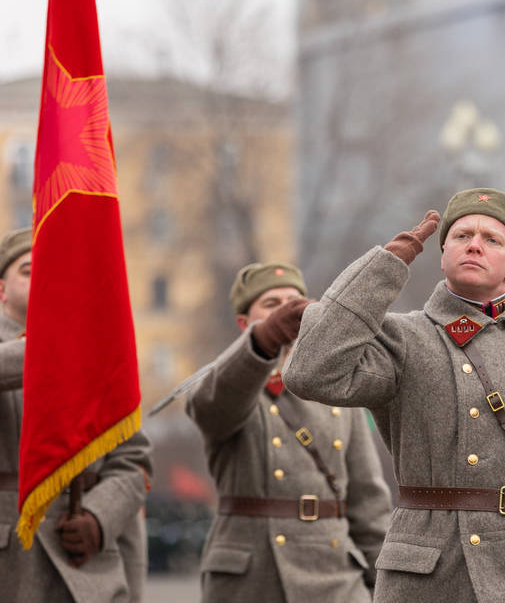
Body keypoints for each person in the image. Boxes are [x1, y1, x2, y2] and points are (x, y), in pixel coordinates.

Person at [283, 188, 505, 602]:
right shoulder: (403, 338)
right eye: (462, 236)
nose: (475, 244)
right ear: (443, 253)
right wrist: (386, 265)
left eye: (492, 239)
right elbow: (309, 373)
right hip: (433, 575)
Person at [184, 261, 392, 603]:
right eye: (270, 305)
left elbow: (367, 502)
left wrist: (382, 583)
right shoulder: (225, 384)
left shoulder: (335, 387)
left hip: (334, 578)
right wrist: (262, 342)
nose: (286, 312)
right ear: (243, 323)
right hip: (252, 579)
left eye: (294, 301)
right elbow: (212, 408)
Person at [0, 227, 153, 603]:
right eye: (29, 269)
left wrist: (100, 517)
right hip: (12, 568)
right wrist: (62, 343)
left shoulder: (100, 355)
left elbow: (133, 461)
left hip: (87, 572)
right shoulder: (86, 346)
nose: (45, 277)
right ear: (1, 290)